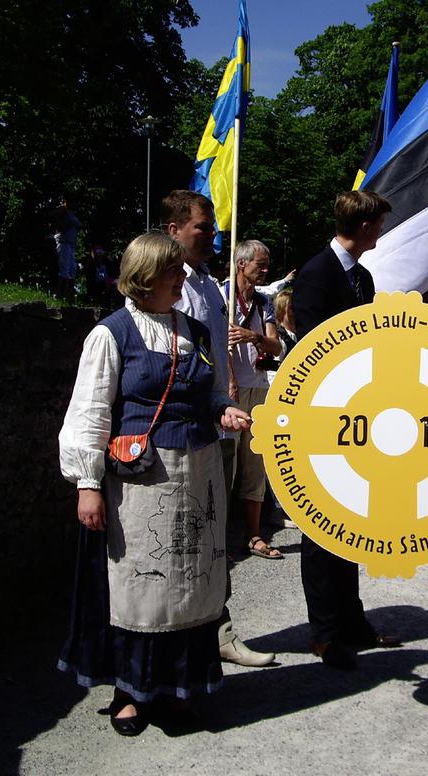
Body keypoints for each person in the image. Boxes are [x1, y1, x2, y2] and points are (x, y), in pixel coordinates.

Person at [57, 233, 252, 736]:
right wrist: (87, 484)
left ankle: (180, 689)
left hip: (200, 471)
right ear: (145, 277)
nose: (182, 278)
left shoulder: (195, 332)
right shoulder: (111, 334)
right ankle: (130, 692)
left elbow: (204, 394)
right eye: (172, 271)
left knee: (193, 587)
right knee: (143, 591)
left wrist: (223, 409)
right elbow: (91, 412)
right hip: (142, 484)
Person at [160, 189, 275, 668]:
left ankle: (218, 629)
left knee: (212, 531)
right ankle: (179, 640)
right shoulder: (167, 284)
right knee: (184, 535)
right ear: (173, 231)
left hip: (215, 421)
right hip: (181, 429)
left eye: (212, 227)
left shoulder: (208, 283)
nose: (212, 235)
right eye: (203, 227)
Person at [292, 189, 402, 670]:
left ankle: (351, 619)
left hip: (359, 412)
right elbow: (315, 348)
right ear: (363, 227)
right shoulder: (316, 274)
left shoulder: (363, 276)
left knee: (352, 524)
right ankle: (324, 634)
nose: (382, 232)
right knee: (321, 527)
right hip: (324, 413)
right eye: (379, 224)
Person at [222, 240, 284, 560]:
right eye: (260, 264)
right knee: (226, 464)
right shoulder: (222, 295)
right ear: (241, 264)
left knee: (255, 464)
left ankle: (254, 535)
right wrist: (230, 380)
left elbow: (276, 347)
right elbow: (218, 342)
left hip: (259, 389)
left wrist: (254, 337)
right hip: (230, 392)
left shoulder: (264, 302)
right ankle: (219, 539)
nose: (265, 269)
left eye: (267, 264)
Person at [54, 197, 81, 297]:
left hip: (71, 243)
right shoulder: (63, 211)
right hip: (64, 242)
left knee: (72, 268)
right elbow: (55, 215)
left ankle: (69, 290)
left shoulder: (72, 213)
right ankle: (62, 291)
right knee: (64, 267)